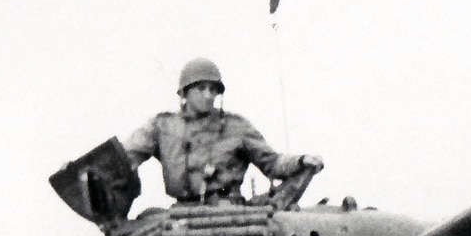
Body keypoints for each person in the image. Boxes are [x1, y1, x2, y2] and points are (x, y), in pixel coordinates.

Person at [122, 57, 323, 204]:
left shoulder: (236, 127)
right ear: (184, 92)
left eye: (213, 89)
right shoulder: (163, 126)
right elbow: (125, 158)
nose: (209, 95)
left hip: (229, 211)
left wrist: (300, 161)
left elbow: (273, 163)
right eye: (201, 88)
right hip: (183, 213)